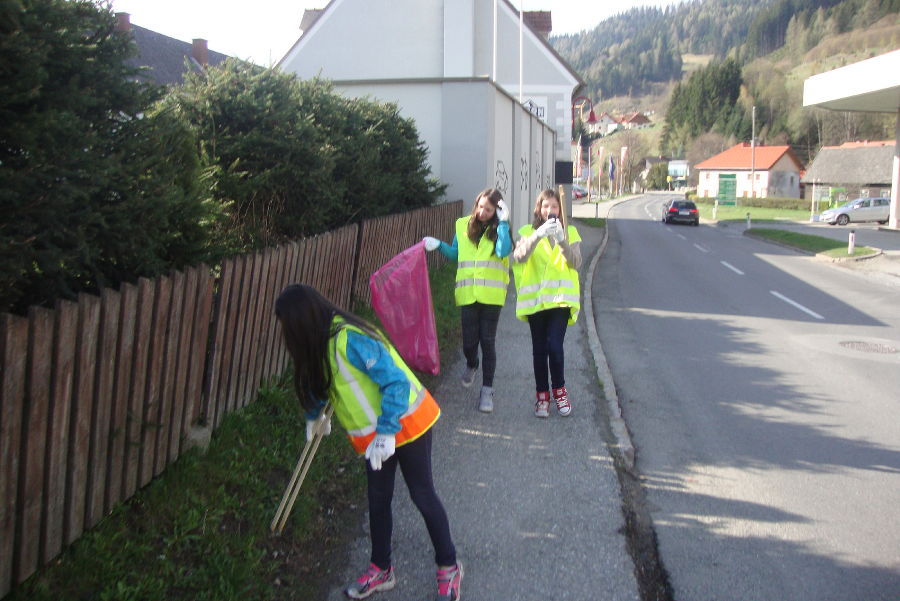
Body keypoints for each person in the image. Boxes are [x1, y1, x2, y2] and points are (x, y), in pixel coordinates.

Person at [274, 284, 463, 601]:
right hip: (376, 440)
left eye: (288, 328)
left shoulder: (349, 338)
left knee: (422, 494)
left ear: (301, 323)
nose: (286, 335)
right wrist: (314, 416)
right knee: (377, 500)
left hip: (408, 424)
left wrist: (388, 431)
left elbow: (396, 382)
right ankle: (381, 569)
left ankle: (449, 565)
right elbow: (317, 381)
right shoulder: (319, 344)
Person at [423, 188, 512, 413]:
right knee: (469, 343)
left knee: (488, 342)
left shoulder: (500, 229)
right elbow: (456, 254)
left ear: (496, 211)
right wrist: (439, 245)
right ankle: (472, 363)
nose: (482, 212)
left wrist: (503, 223)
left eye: (489, 209)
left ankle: (487, 391)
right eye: (480, 206)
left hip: (491, 297)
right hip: (467, 294)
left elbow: (503, 252)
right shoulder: (462, 224)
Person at [511, 189, 582, 418]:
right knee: (539, 351)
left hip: (560, 301)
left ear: (560, 210)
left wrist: (562, 240)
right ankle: (542, 396)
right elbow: (519, 256)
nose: (549, 210)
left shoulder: (570, 231)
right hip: (536, 303)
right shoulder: (527, 231)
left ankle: (560, 390)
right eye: (545, 206)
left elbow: (575, 262)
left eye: (553, 206)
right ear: (538, 209)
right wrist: (538, 235)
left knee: (555, 347)